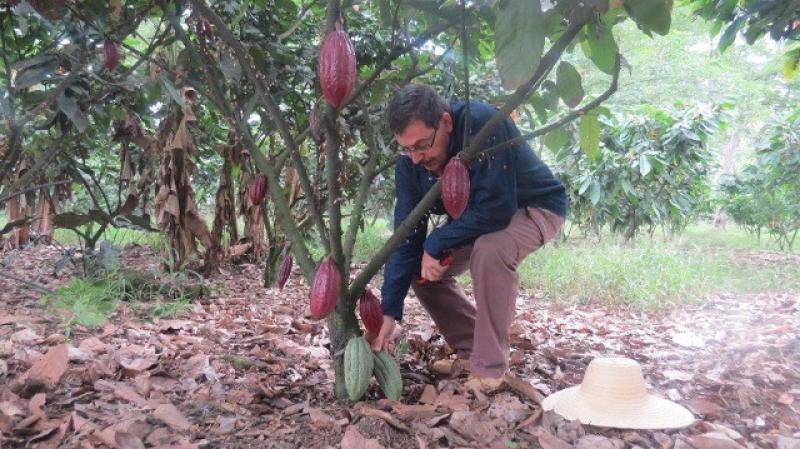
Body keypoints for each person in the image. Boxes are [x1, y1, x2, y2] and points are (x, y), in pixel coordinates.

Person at [367, 84, 567, 391]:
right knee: (423, 273)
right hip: (476, 217)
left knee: (490, 250)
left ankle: (489, 369)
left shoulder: (484, 125)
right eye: (407, 148)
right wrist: (389, 310)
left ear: (446, 122)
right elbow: (406, 233)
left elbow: (498, 209)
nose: (416, 158)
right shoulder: (410, 162)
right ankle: (474, 351)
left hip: (535, 207)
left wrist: (436, 243)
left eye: (422, 145)